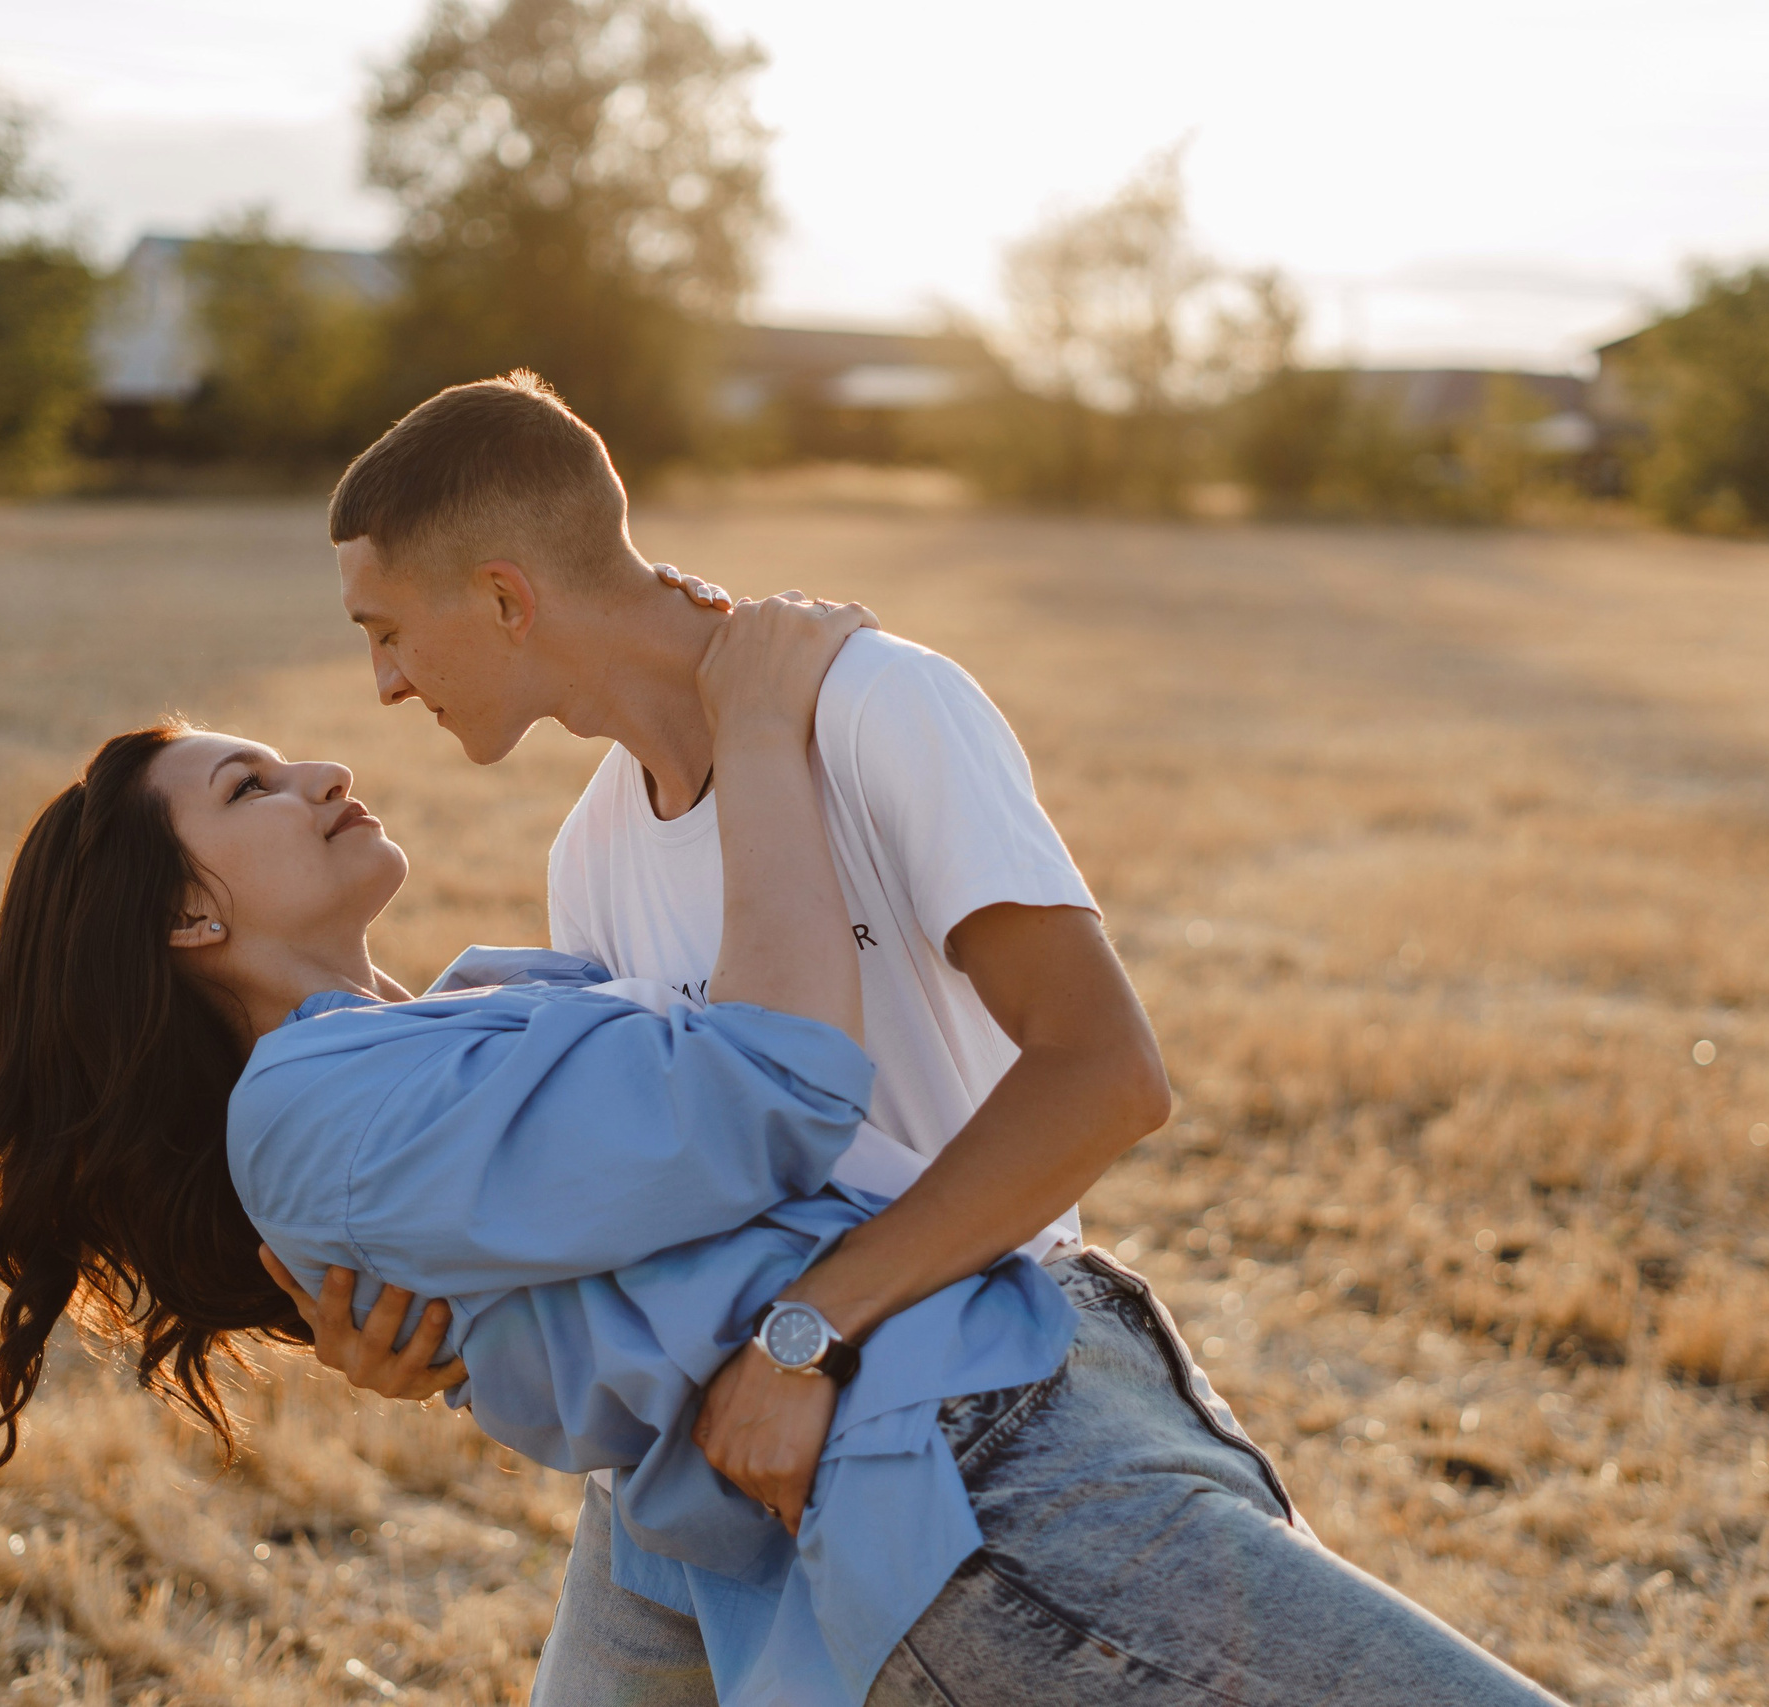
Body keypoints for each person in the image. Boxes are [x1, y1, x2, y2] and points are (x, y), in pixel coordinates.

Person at [0, 595, 1567, 1707]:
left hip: (982, 1407)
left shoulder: (450, 1022)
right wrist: (767, 727)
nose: (328, 760)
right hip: (961, 1470)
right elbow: (775, 1081)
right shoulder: (311, 1107)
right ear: (188, 912)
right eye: (251, 784)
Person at [306, 375, 1173, 1703]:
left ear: (503, 596)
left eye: (386, 634)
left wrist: (809, 1333)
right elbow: (641, 1197)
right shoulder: (592, 852)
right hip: (715, 1430)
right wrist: (434, 1339)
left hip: (959, 1389)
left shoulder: (877, 707)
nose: (381, 687)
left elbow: (1105, 1076)